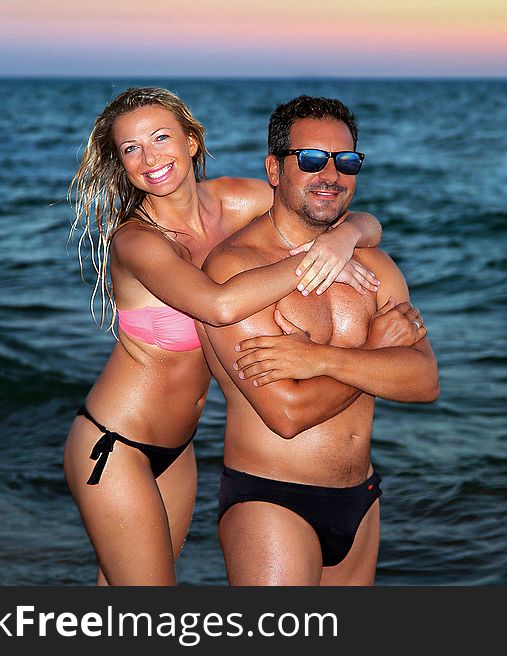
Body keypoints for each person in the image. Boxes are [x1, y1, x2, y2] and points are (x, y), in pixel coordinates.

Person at [62, 87, 385, 586]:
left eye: (161, 138)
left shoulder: (237, 200)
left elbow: (345, 217)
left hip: (179, 449)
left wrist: (342, 238)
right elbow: (218, 305)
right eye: (131, 149)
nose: (150, 158)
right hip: (114, 443)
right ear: (121, 163)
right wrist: (315, 261)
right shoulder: (136, 240)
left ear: (191, 142)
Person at [198, 95, 439, 585]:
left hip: (361, 498)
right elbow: (287, 414)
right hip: (273, 498)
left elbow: (424, 381)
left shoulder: (374, 265)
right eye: (311, 159)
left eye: (346, 161)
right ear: (274, 169)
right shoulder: (235, 270)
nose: (331, 175)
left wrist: (319, 360)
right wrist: (373, 352)